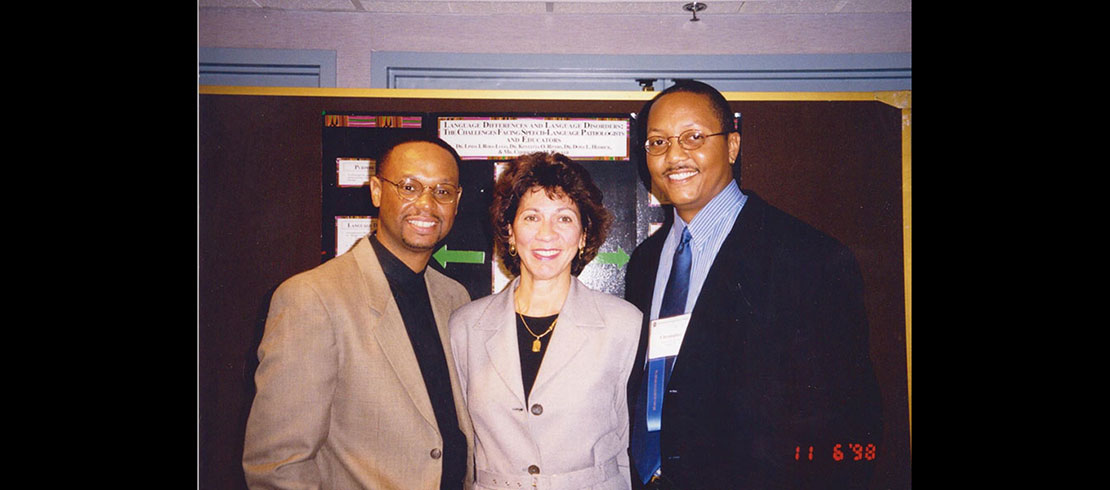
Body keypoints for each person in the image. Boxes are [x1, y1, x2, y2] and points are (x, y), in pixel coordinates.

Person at [624, 80, 883, 489]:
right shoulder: (645, 263)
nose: (674, 156)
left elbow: (847, 419)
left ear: (731, 146)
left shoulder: (807, 258)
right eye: (657, 142)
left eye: (693, 137)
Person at [243, 136, 475, 489]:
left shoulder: (454, 297)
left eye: (442, 191)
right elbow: (278, 466)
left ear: (456, 202)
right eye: (410, 187)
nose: (426, 204)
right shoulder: (312, 297)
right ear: (378, 191)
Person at [449, 152, 641, 490]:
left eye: (564, 219)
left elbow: (630, 440)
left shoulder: (625, 326)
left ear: (584, 235)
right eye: (531, 217)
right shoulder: (465, 328)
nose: (547, 234)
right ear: (509, 231)